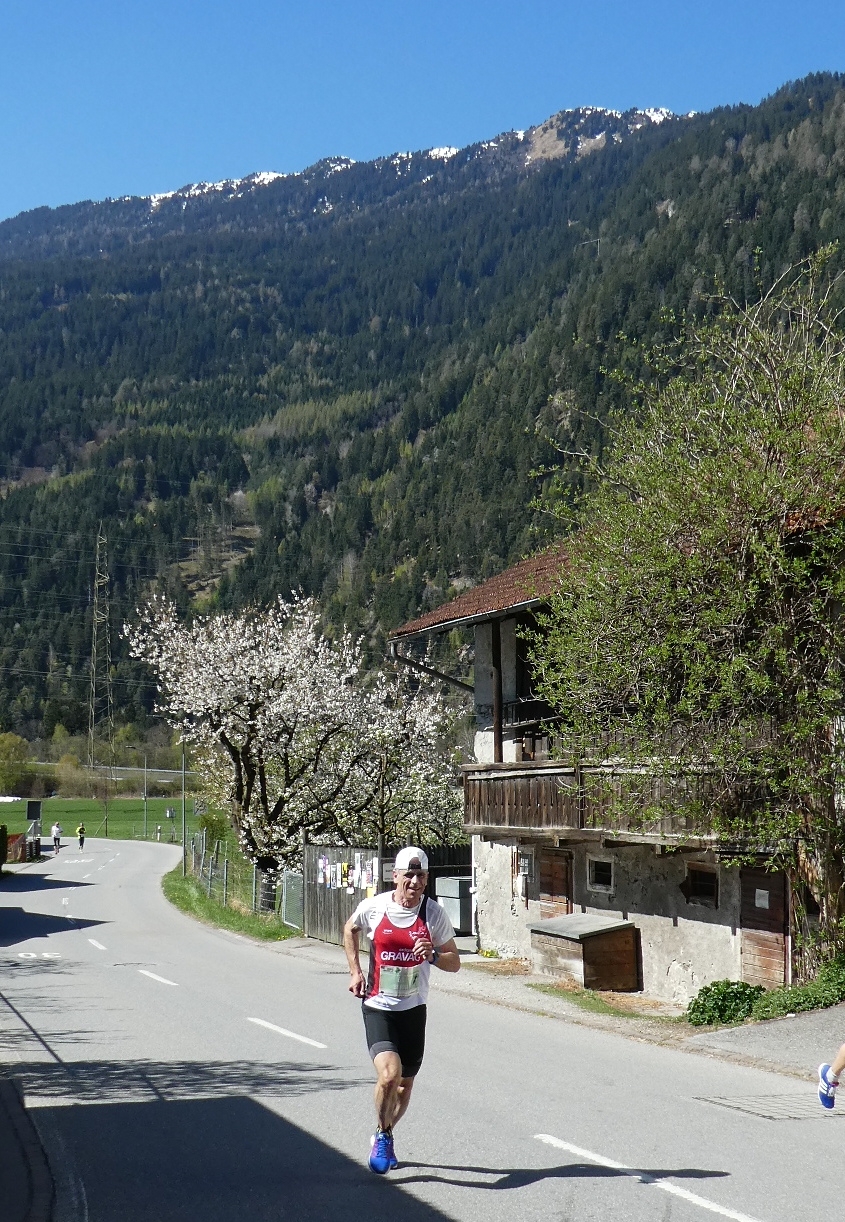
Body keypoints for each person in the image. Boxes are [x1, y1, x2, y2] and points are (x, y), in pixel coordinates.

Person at [343, 846, 460, 1174]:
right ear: (395, 876)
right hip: (378, 1006)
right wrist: (355, 972)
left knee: (405, 1085)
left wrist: (433, 955)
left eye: (421, 875)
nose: (415, 882)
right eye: (408, 875)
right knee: (389, 1076)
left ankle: (385, 1132)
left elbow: (455, 963)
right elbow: (350, 929)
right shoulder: (375, 907)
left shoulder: (433, 914)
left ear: (427, 878)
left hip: (413, 1009)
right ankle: (383, 1136)